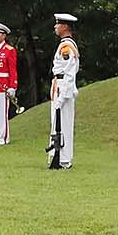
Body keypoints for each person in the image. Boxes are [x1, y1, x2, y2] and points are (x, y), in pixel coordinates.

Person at [48, 13, 80, 169]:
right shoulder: (64, 44)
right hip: (58, 85)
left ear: (65, 26)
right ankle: (57, 155)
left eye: (57, 24)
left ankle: (64, 159)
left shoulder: (66, 47)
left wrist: (63, 96)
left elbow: (69, 73)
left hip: (62, 86)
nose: (55, 27)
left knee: (64, 123)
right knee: (57, 123)